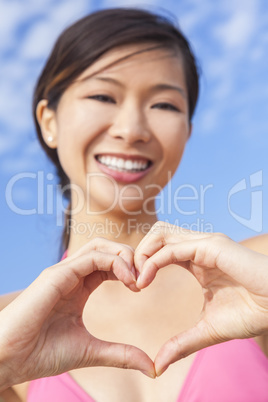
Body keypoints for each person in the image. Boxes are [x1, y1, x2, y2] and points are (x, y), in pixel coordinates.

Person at [0, 7, 267, 402]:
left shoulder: (254, 277)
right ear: (49, 121)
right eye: (103, 95)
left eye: (164, 105)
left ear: (187, 132)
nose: (132, 130)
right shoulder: (12, 326)